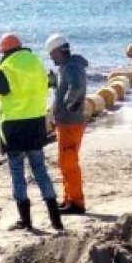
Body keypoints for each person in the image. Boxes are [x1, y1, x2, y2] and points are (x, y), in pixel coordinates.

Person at [0, 33, 63, 231]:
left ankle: (25, 221)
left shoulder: (5, 67)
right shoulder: (36, 62)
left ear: (5, 51)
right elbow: (48, 83)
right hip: (36, 124)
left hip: (13, 127)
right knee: (41, 171)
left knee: (17, 174)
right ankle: (55, 219)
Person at [45, 33, 88, 215]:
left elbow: (76, 86)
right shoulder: (68, 67)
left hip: (70, 123)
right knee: (65, 162)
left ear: (57, 51)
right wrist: (56, 86)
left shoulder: (71, 67)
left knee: (69, 163)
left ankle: (76, 203)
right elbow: (71, 86)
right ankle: (68, 198)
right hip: (66, 123)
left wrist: (70, 104)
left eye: (52, 54)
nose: (51, 58)